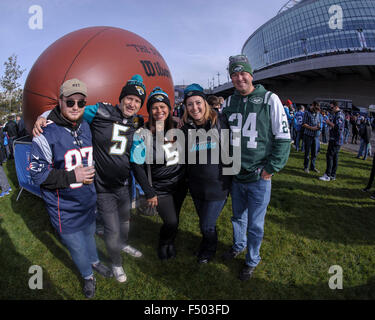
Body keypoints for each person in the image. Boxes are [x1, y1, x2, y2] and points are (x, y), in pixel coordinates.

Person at [33, 75, 157, 283]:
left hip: (124, 186)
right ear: (121, 98)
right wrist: (43, 116)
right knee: (112, 229)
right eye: (129, 98)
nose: (132, 103)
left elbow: (135, 160)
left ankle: (122, 244)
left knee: (125, 223)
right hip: (102, 188)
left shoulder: (135, 123)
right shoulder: (100, 111)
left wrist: (147, 188)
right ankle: (116, 262)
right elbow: (70, 110)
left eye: (137, 101)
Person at [30, 79, 112, 298]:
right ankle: (87, 276)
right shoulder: (45, 133)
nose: (76, 106)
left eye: (81, 102)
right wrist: (72, 175)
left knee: (89, 235)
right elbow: (36, 175)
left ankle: (94, 261)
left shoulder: (85, 124)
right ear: (60, 101)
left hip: (87, 200)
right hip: (63, 208)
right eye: (70, 102)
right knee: (76, 247)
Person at [221, 55, 291, 280]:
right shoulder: (229, 102)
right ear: (231, 77)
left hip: (259, 175)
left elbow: (283, 137)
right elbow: (218, 129)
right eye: (234, 74)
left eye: (243, 73)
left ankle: (252, 259)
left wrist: (271, 168)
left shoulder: (270, 99)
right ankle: (238, 245)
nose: (239, 78)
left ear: (251, 75)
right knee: (237, 217)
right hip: (237, 173)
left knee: (255, 223)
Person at [182, 83, 231, 264]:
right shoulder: (186, 129)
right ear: (185, 108)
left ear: (205, 103)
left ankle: (209, 250)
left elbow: (232, 153)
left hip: (217, 186)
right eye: (190, 104)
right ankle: (205, 245)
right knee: (204, 222)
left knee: (207, 224)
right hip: (196, 186)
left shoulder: (221, 121)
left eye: (197, 103)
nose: (195, 108)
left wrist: (229, 184)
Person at [143, 87, 187, 260]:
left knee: (175, 217)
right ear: (150, 110)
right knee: (171, 221)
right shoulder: (143, 131)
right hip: (161, 187)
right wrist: (149, 190)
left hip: (180, 184)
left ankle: (170, 241)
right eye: (155, 107)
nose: (159, 111)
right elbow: (138, 165)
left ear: (169, 109)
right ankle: (163, 241)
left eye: (163, 107)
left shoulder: (179, 127)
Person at [319, 100, 345, 181]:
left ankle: (328, 175)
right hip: (335, 139)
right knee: (334, 157)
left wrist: (328, 122)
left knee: (330, 156)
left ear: (336, 106)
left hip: (336, 140)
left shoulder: (339, 115)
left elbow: (338, 127)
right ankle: (333, 175)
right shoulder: (337, 114)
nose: (331, 109)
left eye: (332, 107)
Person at [302, 102, 321, 173]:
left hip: (315, 136)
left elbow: (318, 121)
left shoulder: (318, 113)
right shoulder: (307, 113)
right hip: (308, 135)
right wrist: (312, 128)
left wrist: (318, 126)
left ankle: (312, 167)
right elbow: (303, 124)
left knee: (314, 153)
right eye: (315, 109)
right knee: (307, 152)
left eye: (317, 109)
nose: (316, 110)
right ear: (312, 106)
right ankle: (306, 167)